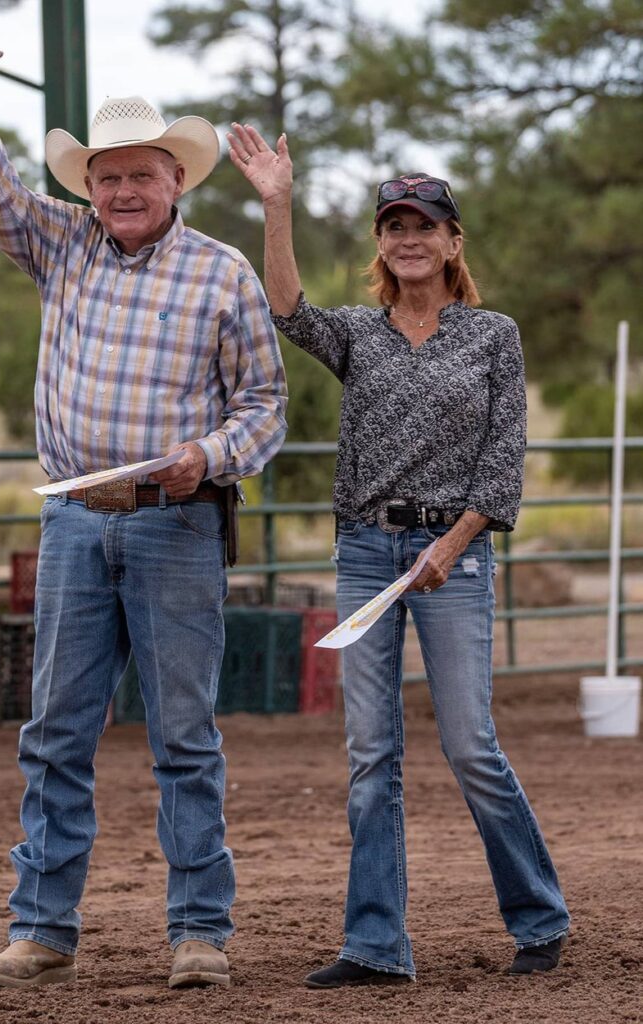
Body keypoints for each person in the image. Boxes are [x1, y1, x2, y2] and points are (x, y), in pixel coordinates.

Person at [0, 3, 287, 992]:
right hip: (78, 521)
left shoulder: (223, 273)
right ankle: (42, 928)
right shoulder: (61, 244)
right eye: (109, 175)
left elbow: (265, 404)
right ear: (89, 184)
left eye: (142, 173)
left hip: (177, 523)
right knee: (56, 731)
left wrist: (208, 457)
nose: (125, 189)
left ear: (177, 180)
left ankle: (200, 931)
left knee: (183, 733)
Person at [228, 123, 570, 986]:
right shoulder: (356, 334)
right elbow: (285, 311)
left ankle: (538, 915)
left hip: (449, 557)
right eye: (394, 226)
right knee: (370, 755)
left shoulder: (493, 336)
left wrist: (449, 548)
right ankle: (375, 945)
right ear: (380, 243)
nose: (409, 238)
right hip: (363, 552)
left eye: (425, 225)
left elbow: (501, 465)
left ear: (453, 243)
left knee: (468, 745)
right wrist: (276, 206)